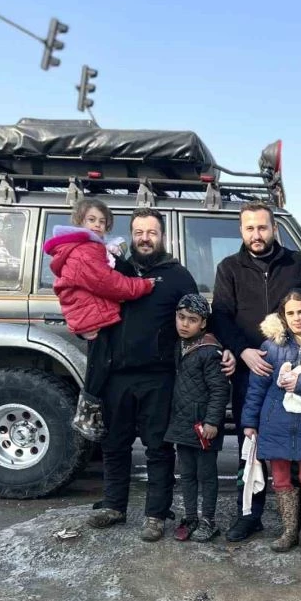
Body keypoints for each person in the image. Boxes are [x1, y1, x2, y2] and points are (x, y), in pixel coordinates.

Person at [211, 201, 301, 543]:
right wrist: (242, 350)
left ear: (274, 229)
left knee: (298, 445)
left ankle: (298, 525)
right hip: (252, 367)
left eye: (262, 227)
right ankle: (249, 515)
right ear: (241, 231)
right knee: (251, 443)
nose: (256, 234)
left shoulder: (298, 264)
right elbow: (220, 315)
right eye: (250, 228)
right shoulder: (229, 268)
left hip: (296, 374)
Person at [86, 209, 199, 542]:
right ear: (131, 235)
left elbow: (199, 319)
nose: (145, 238)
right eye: (139, 232)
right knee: (114, 444)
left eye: (152, 232)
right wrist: (84, 328)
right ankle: (113, 506)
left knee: (159, 448)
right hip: (114, 374)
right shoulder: (112, 270)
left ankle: (155, 514)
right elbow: (87, 305)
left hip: (159, 376)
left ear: (162, 236)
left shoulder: (178, 276)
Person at [44, 198, 153, 441]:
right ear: (79, 221)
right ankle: (88, 416)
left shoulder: (91, 248)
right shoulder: (85, 250)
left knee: (101, 364)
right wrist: (143, 285)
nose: (97, 225)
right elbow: (108, 283)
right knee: (100, 366)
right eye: (91, 220)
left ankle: (95, 416)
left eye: (102, 222)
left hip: (94, 313)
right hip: (94, 317)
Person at [240, 289, 301, 557]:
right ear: (282, 316)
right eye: (291, 313)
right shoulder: (271, 347)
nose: (297, 318)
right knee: (280, 477)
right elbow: (257, 386)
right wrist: (250, 422)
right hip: (275, 422)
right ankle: (288, 531)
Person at [164, 294, 229, 542]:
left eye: (192, 320)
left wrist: (213, 422)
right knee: (187, 474)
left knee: (207, 475)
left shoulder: (209, 351)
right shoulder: (179, 345)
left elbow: (220, 389)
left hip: (203, 426)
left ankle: (208, 520)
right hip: (182, 424)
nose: (184, 324)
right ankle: (190, 516)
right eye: (181, 318)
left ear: (203, 323)